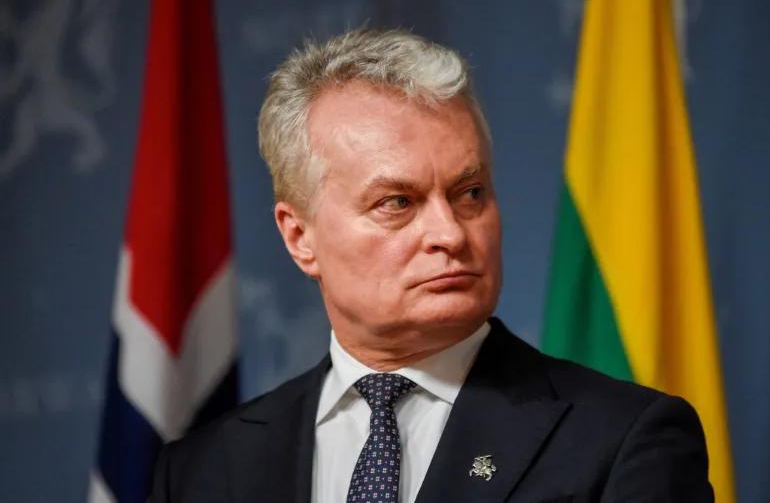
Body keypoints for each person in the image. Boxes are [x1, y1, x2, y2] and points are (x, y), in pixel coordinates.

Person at [149, 28, 713, 502]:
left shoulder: (623, 440)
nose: (450, 233)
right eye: (398, 202)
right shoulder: (201, 472)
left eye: (470, 194)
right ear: (300, 237)